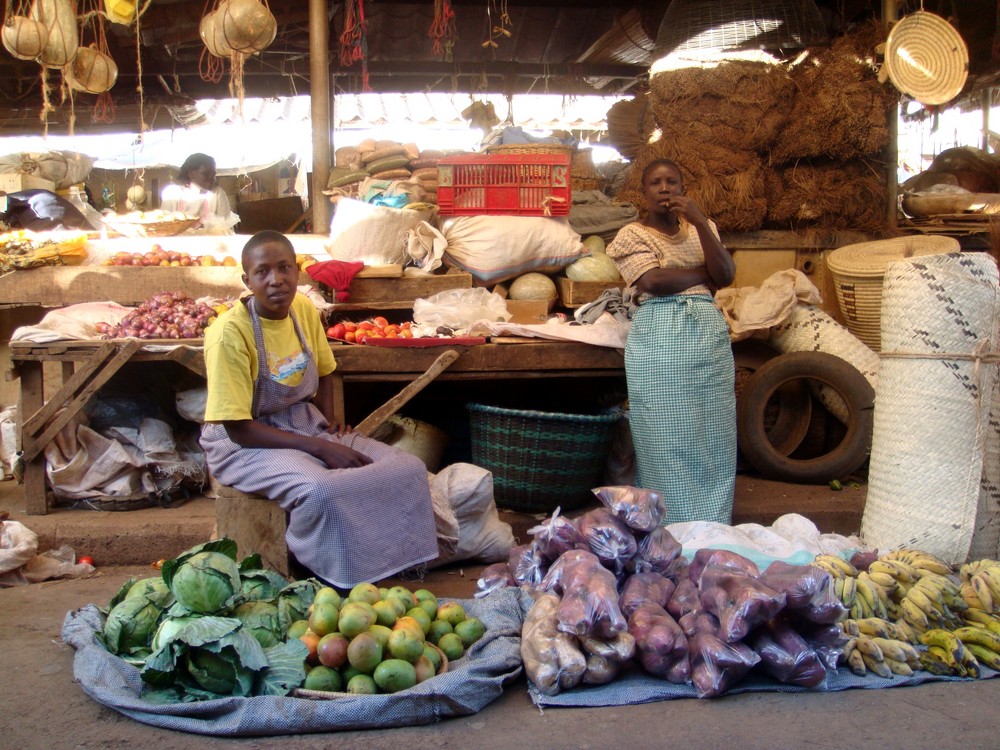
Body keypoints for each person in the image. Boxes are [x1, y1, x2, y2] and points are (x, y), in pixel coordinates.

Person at [199, 230, 439, 587]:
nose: (276, 280)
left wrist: (328, 425)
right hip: (244, 443)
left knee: (408, 469)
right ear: (246, 280)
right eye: (263, 272)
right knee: (322, 490)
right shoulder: (229, 334)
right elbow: (238, 428)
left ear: (298, 273)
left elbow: (326, 371)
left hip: (305, 423)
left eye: (284, 268)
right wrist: (320, 447)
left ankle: (385, 563)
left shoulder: (303, 310)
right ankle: (325, 576)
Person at [605, 158, 737, 525]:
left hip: (707, 339)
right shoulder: (632, 235)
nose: (664, 189)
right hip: (660, 339)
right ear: (644, 192)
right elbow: (651, 283)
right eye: (655, 183)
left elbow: (724, 274)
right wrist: (701, 276)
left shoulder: (702, 227)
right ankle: (670, 520)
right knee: (664, 433)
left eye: (672, 182)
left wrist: (699, 222)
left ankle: (712, 520)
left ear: (682, 188)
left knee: (711, 431)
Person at [160, 153, 238, 233]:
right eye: (205, 174)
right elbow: (163, 227)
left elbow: (226, 229)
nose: (212, 178)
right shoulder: (172, 193)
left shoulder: (218, 194)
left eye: (213, 174)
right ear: (190, 173)